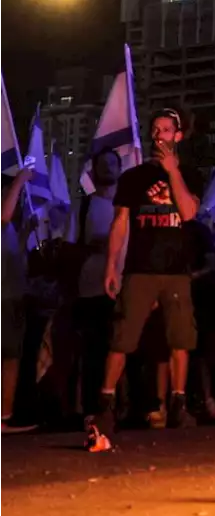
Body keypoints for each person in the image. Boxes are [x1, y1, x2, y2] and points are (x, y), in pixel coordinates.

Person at [93, 108, 203, 439]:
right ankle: (106, 405)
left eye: (167, 130)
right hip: (140, 270)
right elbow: (120, 223)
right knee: (122, 338)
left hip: (176, 272)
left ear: (178, 136)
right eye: (155, 129)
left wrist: (173, 173)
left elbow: (188, 212)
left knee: (180, 339)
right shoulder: (133, 178)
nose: (159, 135)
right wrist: (111, 265)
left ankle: (178, 405)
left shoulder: (191, 174)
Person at [72, 150, 122, 421]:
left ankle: (124, 407)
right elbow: (72, 245)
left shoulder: (128, 205)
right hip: (91, 288)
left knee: (122, 348)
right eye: (103, 165)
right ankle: (92, 410)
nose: (108, 169)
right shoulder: (84, 206)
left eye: (113, 164)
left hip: (124, 286)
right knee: (94, 352)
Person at [0, 166, 33, 432]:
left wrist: (25, 234)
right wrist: (21, 179)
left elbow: (14, 256)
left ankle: (4, 416)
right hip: (3, 299)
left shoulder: (8, 227)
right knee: (8, 357)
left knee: (11, 357)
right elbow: (4, 214)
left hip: (12, 296)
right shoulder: (3, 216)